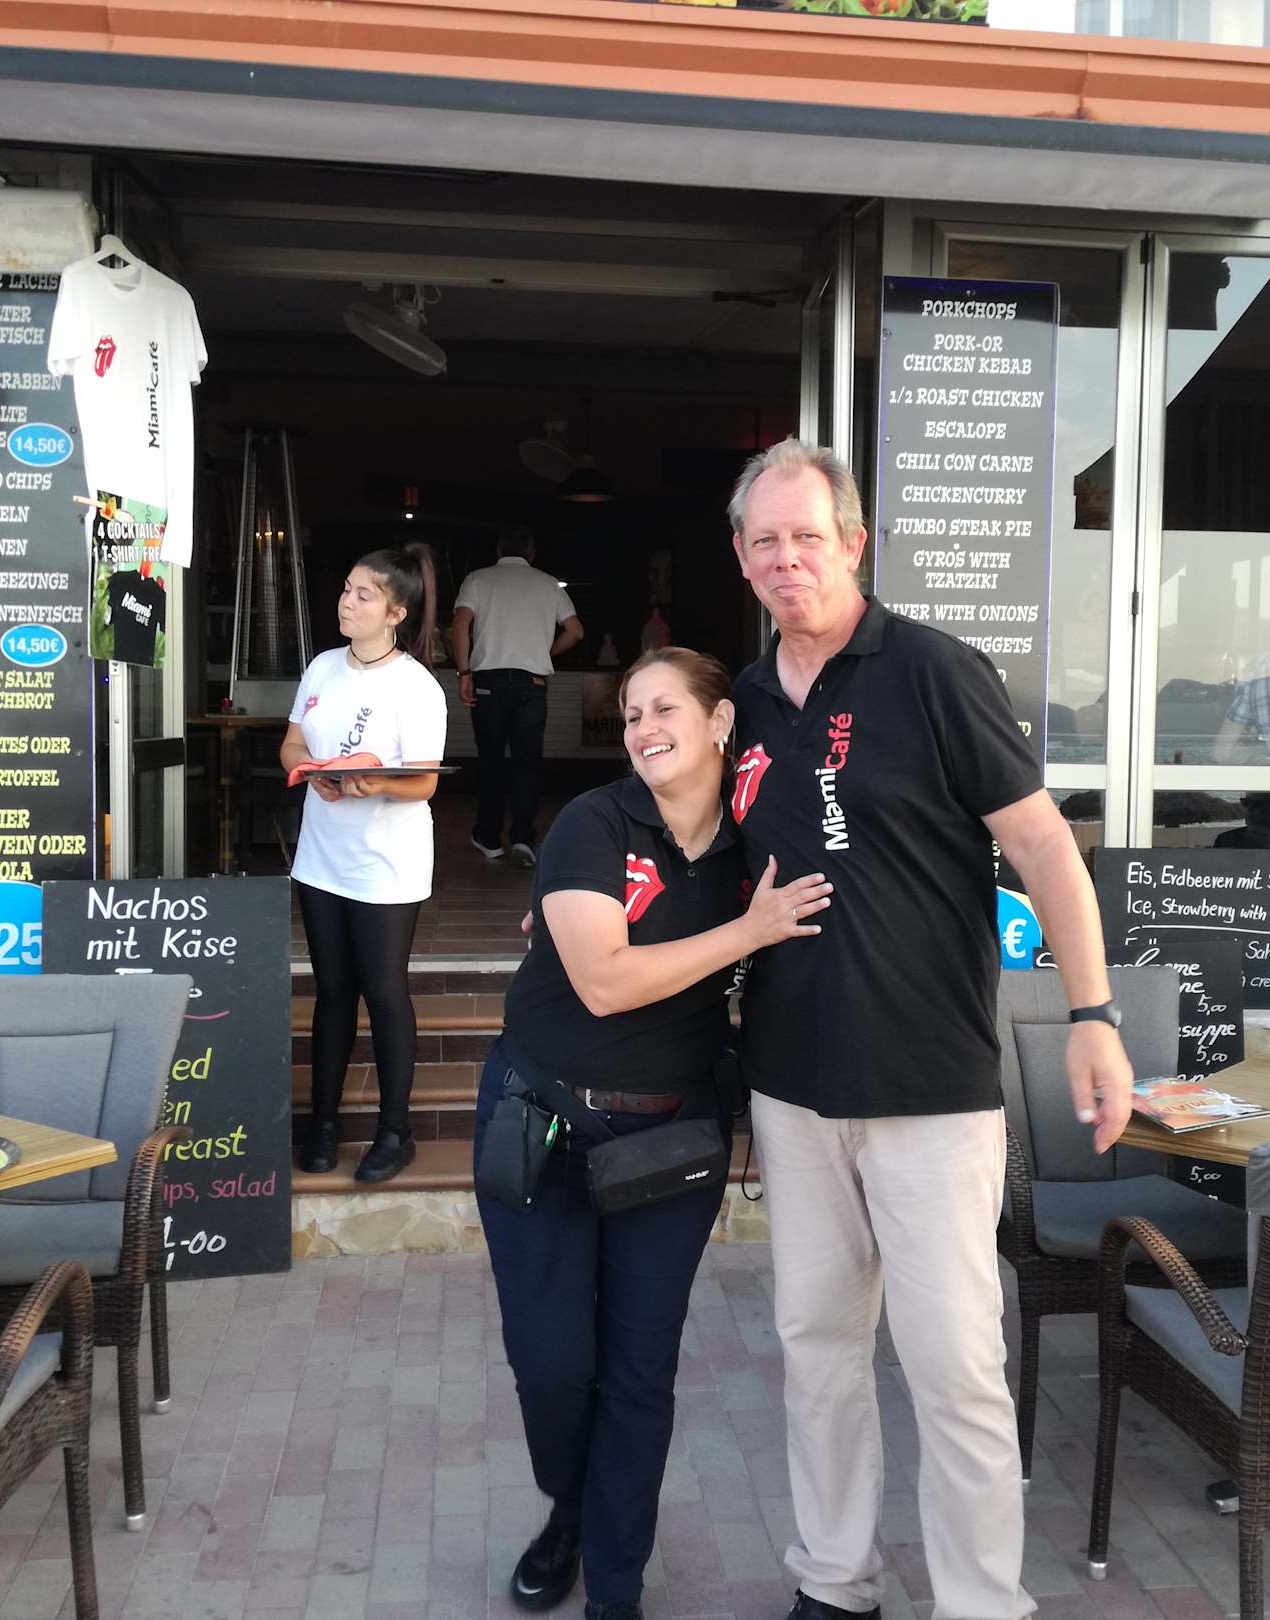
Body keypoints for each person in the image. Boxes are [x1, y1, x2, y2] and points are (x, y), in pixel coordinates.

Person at [723, 439, 1133, 1620]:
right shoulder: (746, 701)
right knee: (817, 1348)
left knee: (955, 1367)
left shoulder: (936, 671)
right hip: (792, 1085)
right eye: (765, 541)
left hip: (930, 1089)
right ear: (742, 559)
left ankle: (978, 1603)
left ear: (854, 543)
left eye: (808, 536)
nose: (788, 559)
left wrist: (1092, 1013)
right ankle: (833, 1580)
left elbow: (1044, 843)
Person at [480, 647, 832, 1620]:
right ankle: (570, 1510)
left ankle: (616, 1587)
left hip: (673, 1136)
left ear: (720, 723)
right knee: (553, 1363)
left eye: (663, 708)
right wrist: (747, 934)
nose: (643, 729)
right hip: (542, 1120)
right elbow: (602, 980)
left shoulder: (759, 845)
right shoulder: (595, 822)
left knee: (640, 1372)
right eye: (632, 714)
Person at [280, 545, 447, 1182]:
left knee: (383, 991)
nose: (346, 602)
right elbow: (293, 741)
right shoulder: (322, 667)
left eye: (363, 595)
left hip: (386, 865)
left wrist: (374, 784)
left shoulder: (417, 687)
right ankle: (322, 1125)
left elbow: (425, 781)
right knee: (331, 994)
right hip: (320, 859)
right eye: (346, 589)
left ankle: (395, 1131)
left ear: (396, 613)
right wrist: (309, 771)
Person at [451, 528, 585, 867]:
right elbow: (576, 631)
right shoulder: (549, 584)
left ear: (498, 549)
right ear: (532, 553)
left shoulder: (477, 579)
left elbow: (459, 625)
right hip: (532, 683)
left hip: (488, 683)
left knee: (491, 761)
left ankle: (489, 837)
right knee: (528, 763)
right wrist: (545, 653)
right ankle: (523, 837)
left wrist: (464, 673)